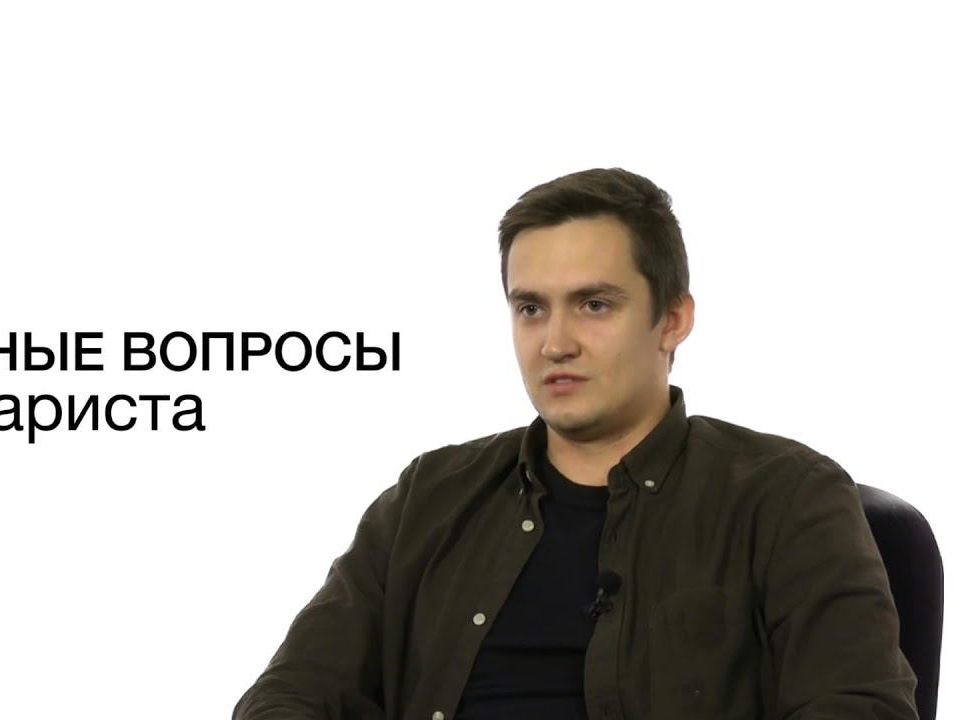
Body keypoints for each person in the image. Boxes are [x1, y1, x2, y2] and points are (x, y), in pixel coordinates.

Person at [232, 168, 918, 720]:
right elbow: (292, 692)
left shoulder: (787, 496)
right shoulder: (429, 496)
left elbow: (859, 706)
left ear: (672, 318)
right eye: (531, 308)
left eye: (594, 305)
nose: (555, 343)